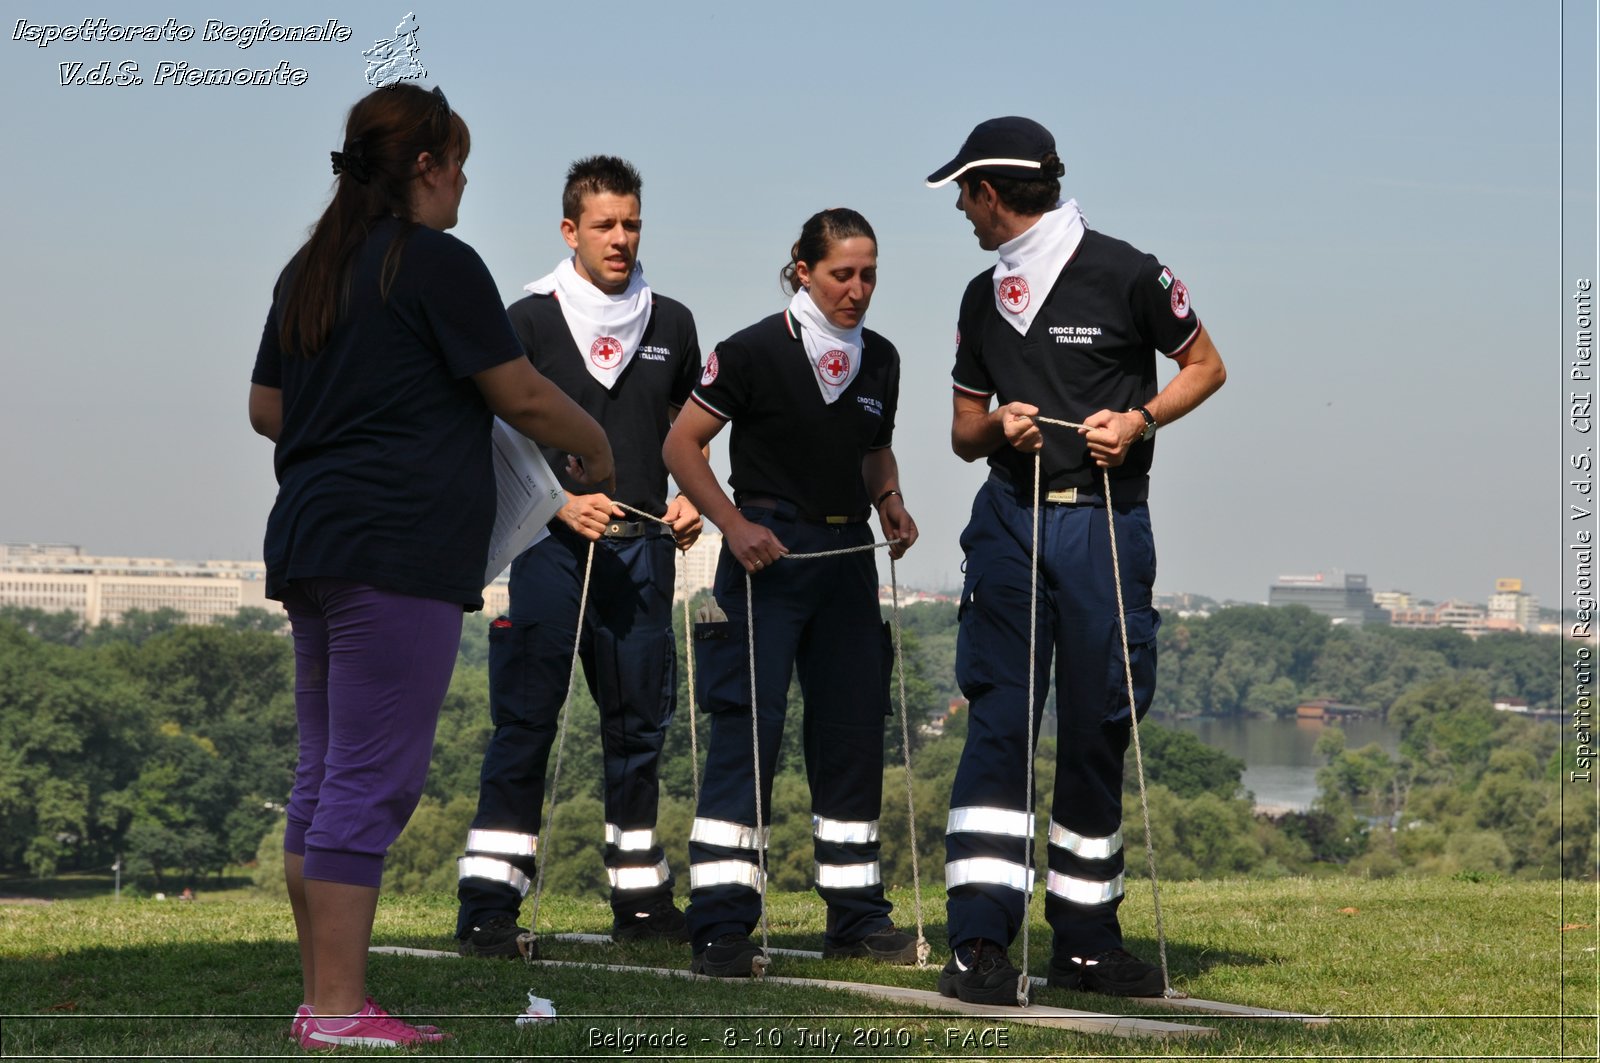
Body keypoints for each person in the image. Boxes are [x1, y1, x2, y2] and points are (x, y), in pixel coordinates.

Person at [248, 83, 612, 1049]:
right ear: (424, 166)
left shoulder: (311, 268)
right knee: (371, 782)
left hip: (311, 538)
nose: (462, 182)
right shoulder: (435, 263)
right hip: (395, 549)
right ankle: (336, 1010)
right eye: (456, 163)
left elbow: (266, 409)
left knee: (325, 774)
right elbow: (522, 394)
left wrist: (356, 417)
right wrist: (597, 445)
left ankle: (322, 996)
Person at [924, 117, 1227, 1004]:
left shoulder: (1130, 271)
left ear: (990, 191)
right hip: (1010, 523)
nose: (962, 212)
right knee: (999, 729)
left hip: (1102, 524)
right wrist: (997, 426)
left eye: (964, 195)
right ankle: (978, 943)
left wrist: (1141, 420)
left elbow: (1206, 365)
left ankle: (1086, 942)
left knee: (1097, 726)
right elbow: (960, 432)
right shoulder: (981, 298)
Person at [452, 156, 703, 958]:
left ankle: (640, 900)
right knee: (525, 724)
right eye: (605, 224)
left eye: (632, 222)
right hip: (548, 553)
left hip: (643, 557)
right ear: (570, 230)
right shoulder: (525, 320)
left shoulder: (673, 322)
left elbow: (685, 433)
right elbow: (492, 433)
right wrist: (560, 502)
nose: (621, 238)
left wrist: (694, 492)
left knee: (638, 731)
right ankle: (489, 904)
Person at [662, 208, 921, 977]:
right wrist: (732, 524)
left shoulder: (882, 359)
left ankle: (856, 915)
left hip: (846, 562)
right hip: (764, 555)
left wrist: (892, 501)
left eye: (869, 273)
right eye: (842, 273)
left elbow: (875, 450)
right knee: (749, 736)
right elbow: (681, 443)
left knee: (850, 738)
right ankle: (721, 925)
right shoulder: (748, 350)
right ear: (802, 269)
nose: (858, 288)